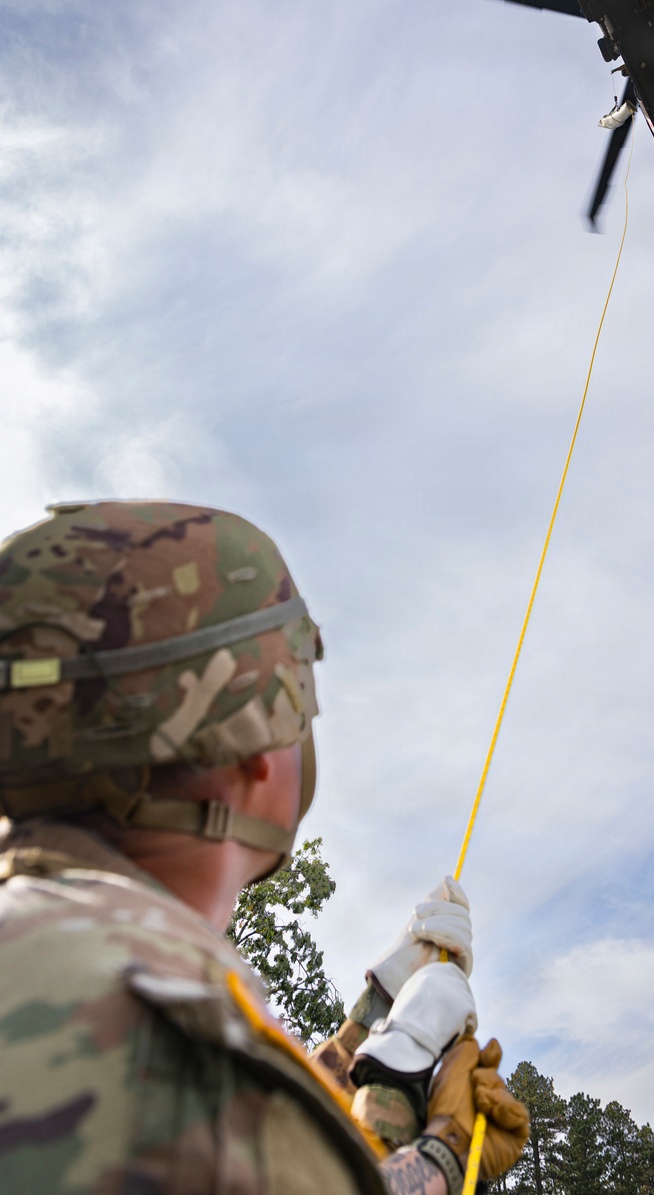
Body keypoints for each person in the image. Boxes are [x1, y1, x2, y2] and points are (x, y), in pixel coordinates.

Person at [0, 499, 529, 1194]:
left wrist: (371, 1025)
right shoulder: (168, 1043)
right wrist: (440, 1147)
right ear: (248, 754)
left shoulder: (59, 957)